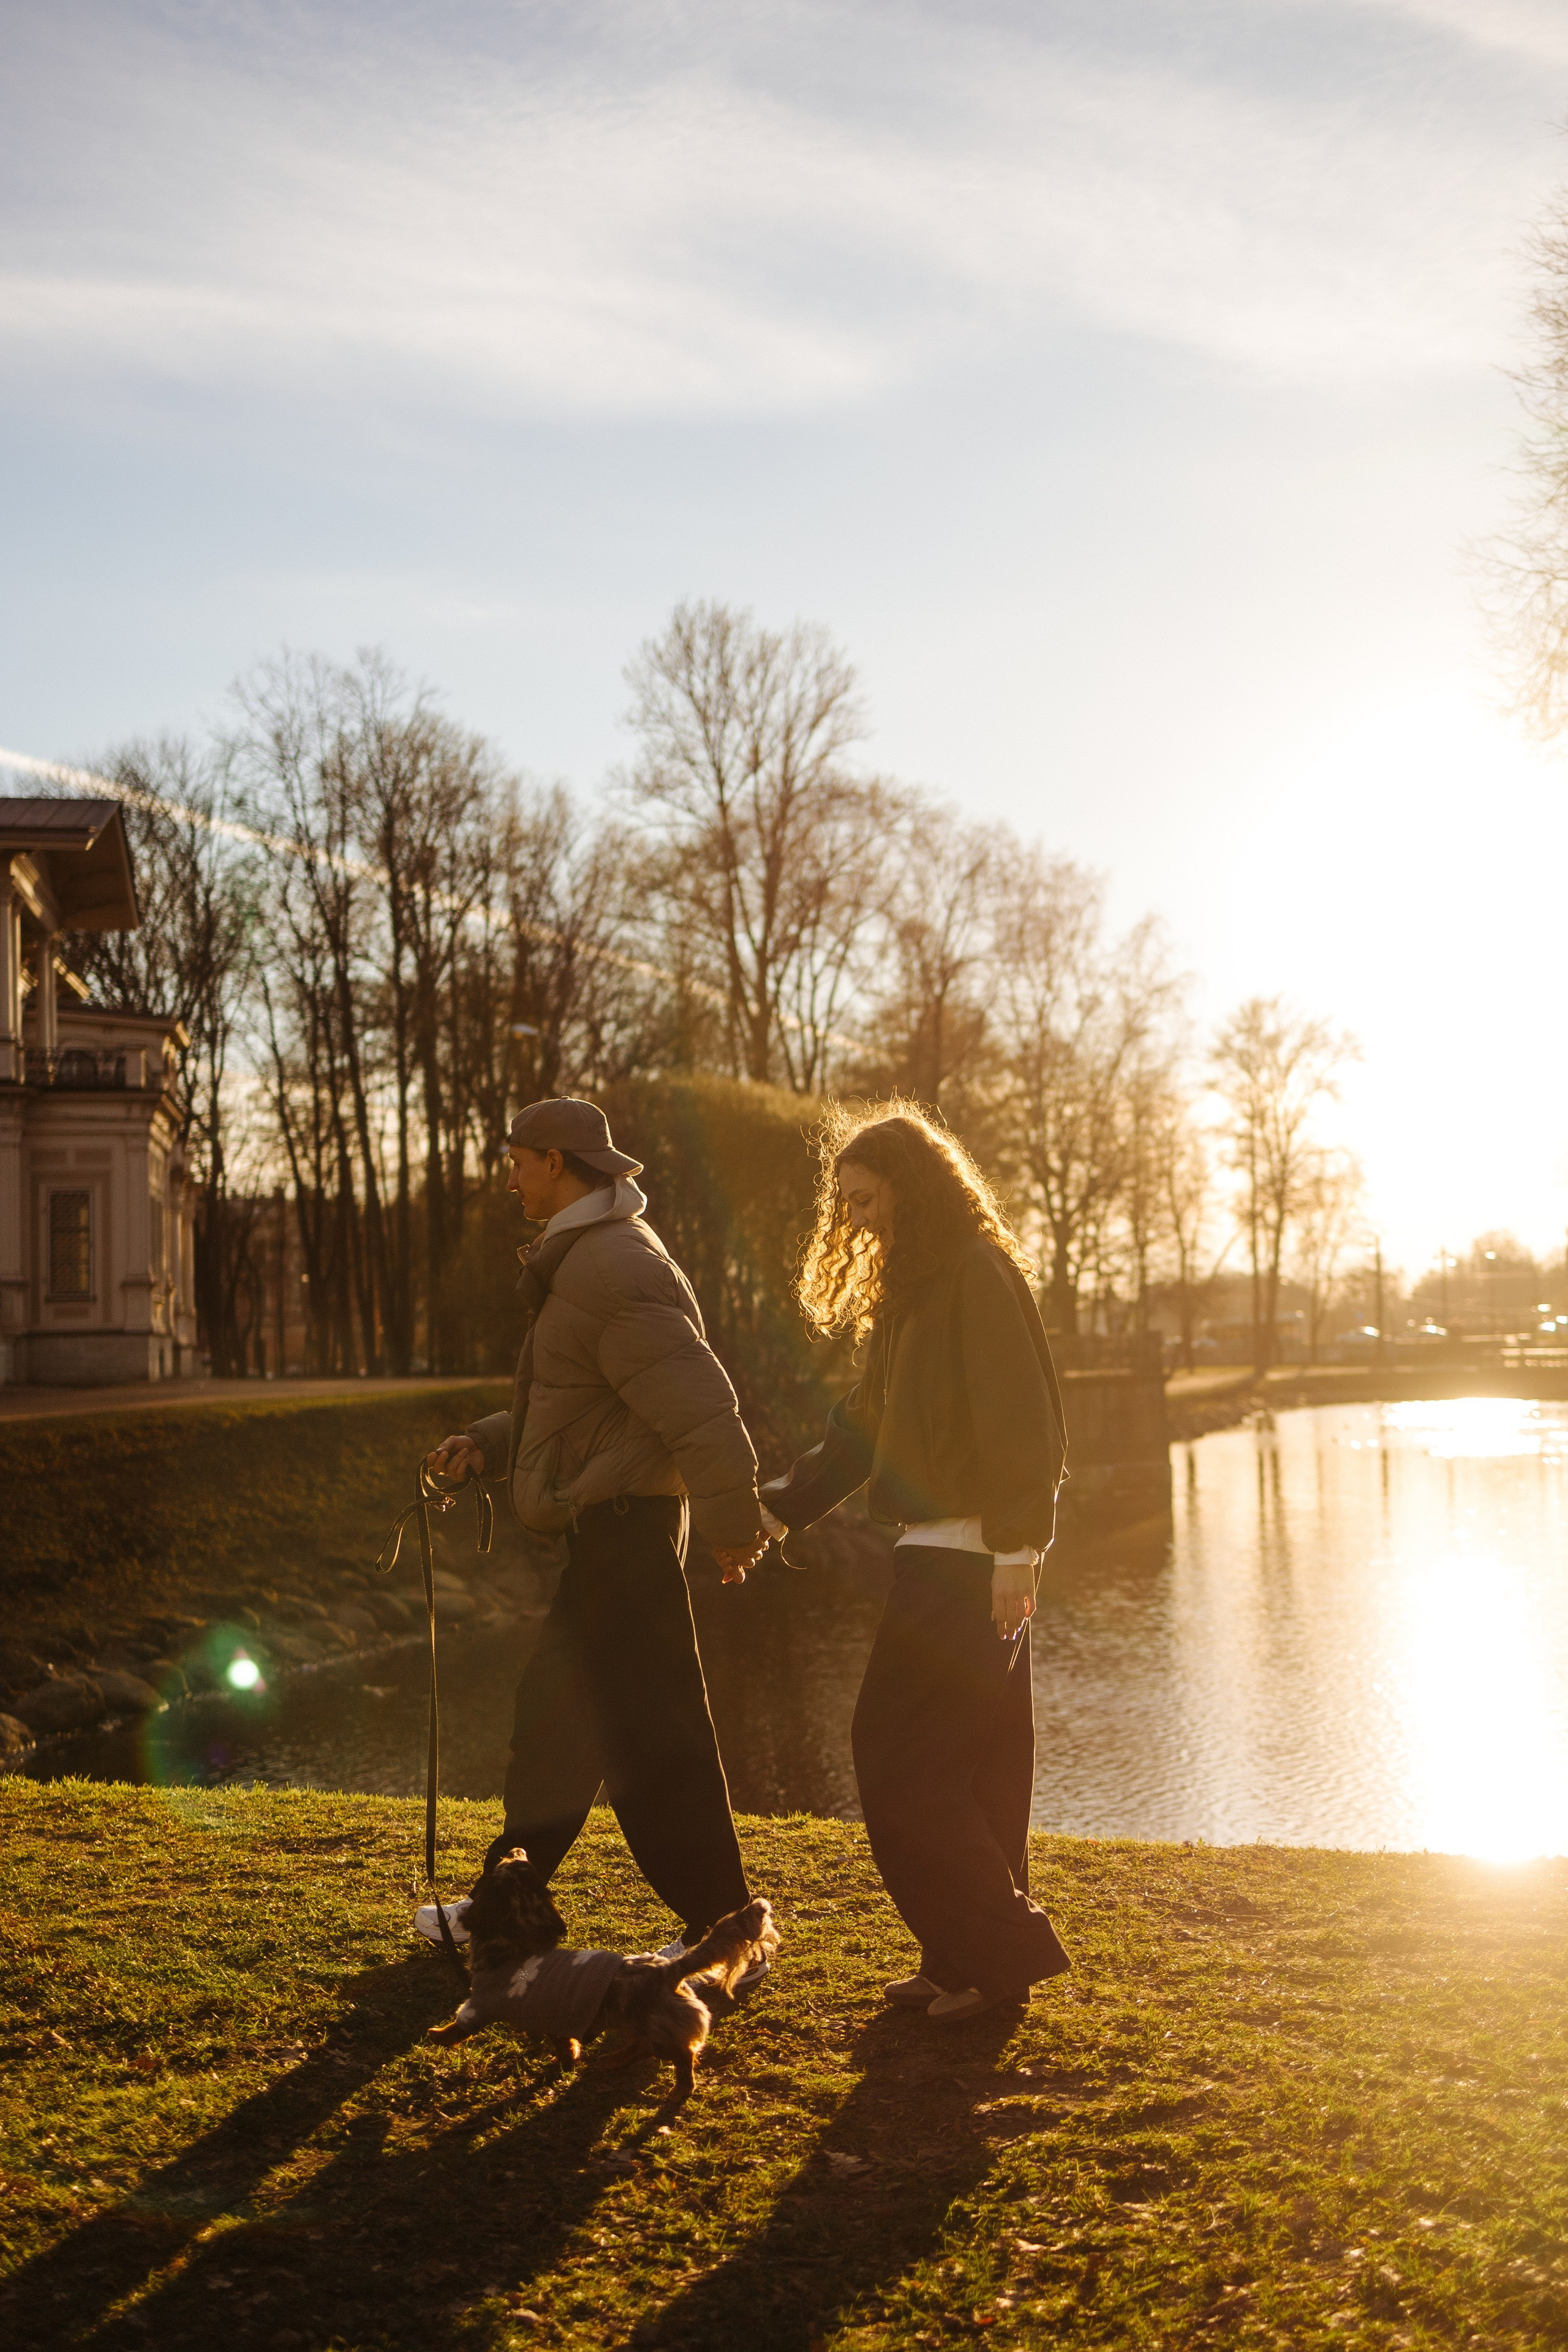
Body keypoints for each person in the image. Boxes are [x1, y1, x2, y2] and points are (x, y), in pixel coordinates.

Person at [420, 1096, 769, 1956]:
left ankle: (727, 1932)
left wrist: (735, 1524)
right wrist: (491, 1446)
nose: (508, 1178)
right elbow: (581, 1405)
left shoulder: (611, 1265)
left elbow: (703, 1409)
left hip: (629, 1535)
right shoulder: (585, 1261)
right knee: (554, 1726)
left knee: (655, 1744)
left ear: (555, 1163)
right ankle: (501, 1913)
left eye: (517, 1162)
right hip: (610, 1533)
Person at [758, 1104, 1069, 2024]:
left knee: (897, 1762)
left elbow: (1025, 1422)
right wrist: (780, 1512)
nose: (855, 1220)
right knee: (973, 1769)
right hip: (934, 1560)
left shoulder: (975, 1271)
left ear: (913, 1185)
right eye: (844, 1205)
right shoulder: (915, 1289)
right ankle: (964, 1964)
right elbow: (860, 1430)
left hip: (972, 1565)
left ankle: (1001, 1953)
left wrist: (1018, 1550)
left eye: (865, 1198)